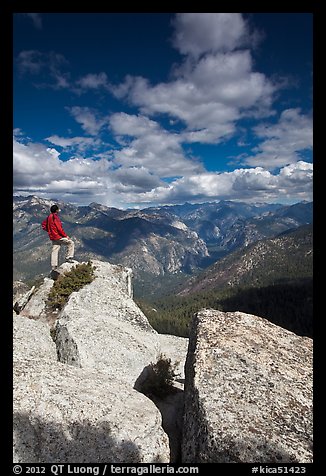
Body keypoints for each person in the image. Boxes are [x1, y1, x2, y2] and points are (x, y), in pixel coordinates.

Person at [43, 204, 76, 270]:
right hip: (58, 236)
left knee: (55, 250)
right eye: (58, 209)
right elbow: (59, 228)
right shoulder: (55, 217)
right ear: (56, 210)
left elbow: (43, 225)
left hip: (52, 237)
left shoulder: (49, 217)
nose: (59, 210)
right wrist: (65, 236)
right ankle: (69, 257)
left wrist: (50, 231)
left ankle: (54, 265)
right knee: (71, 243)